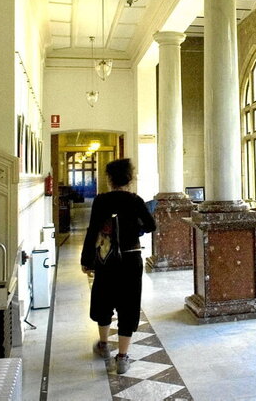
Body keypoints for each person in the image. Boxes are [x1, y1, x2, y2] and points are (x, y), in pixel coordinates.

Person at [80, 158, 155, 374]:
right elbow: (151, 225)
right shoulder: (136, 201)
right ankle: (122, 357)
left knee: (103, 299)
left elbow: (92, 230)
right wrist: (135, 228)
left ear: (109, 179)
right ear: (130, 179)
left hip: (106, 259)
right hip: (131, 260)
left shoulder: (101, 201)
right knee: (129, 304)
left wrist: (87, 259)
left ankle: (104, 344)